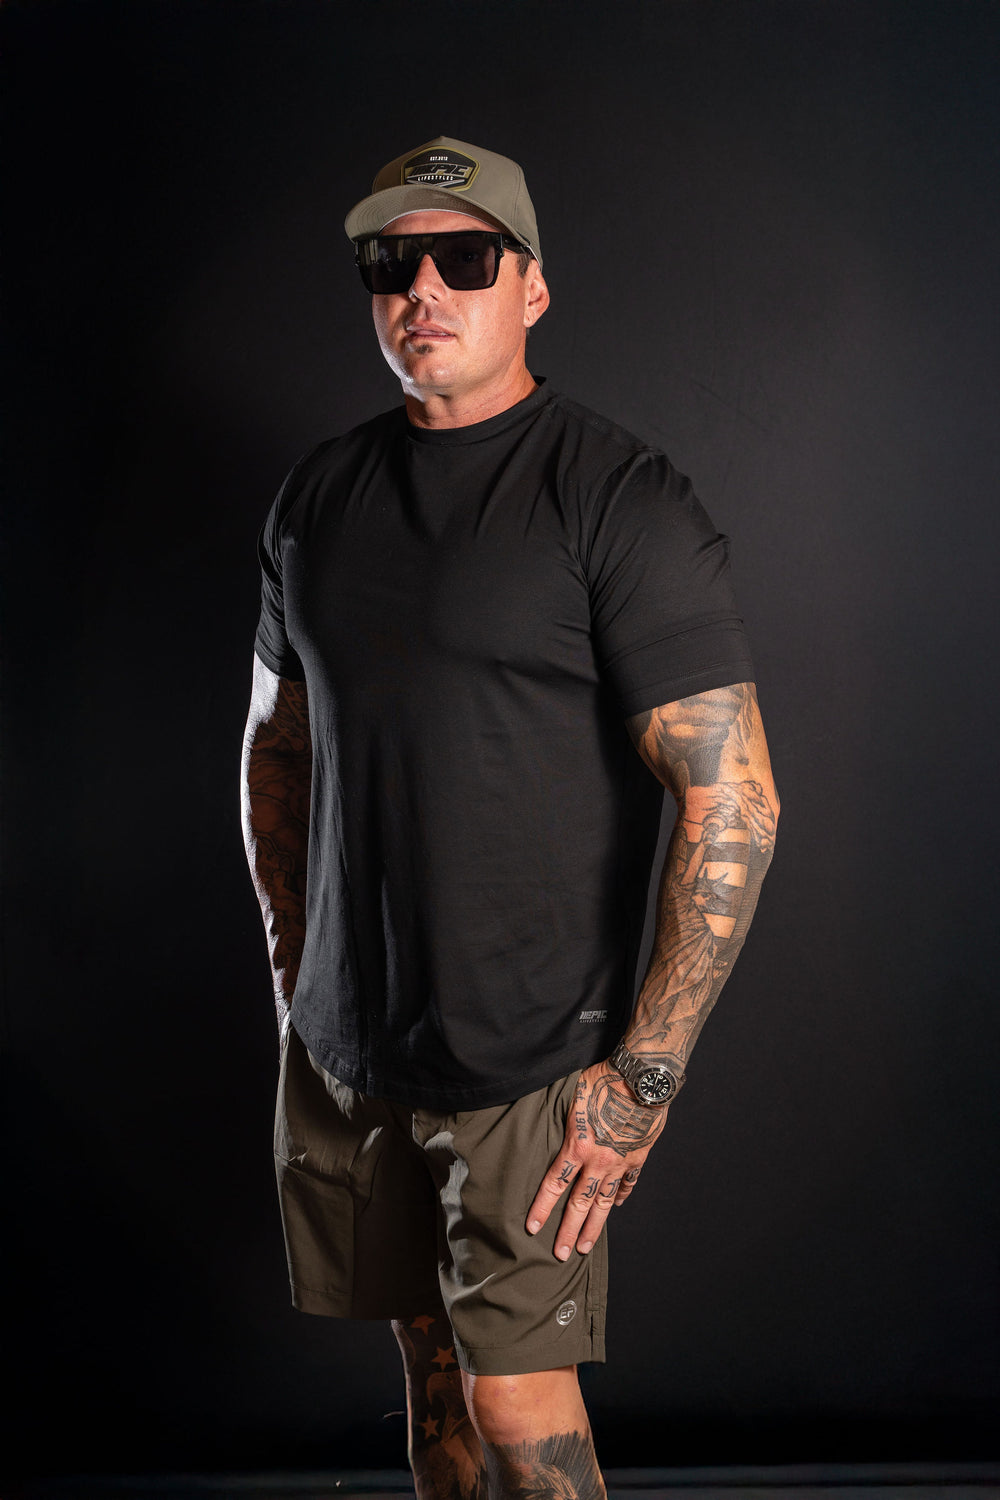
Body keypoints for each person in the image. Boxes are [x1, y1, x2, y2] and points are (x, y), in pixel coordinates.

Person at [241, 136, 779, 1499]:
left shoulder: (617, 498)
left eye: (463, 258)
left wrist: (642, 1081)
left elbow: (734, 797)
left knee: (514, 1395)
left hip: (531, 1060)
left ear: (530, 286)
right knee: (431, 1379)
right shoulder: (317, 499)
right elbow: (276, 748)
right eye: (393, 262)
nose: (422, 288)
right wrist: (295, 969)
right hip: (354, 1047)